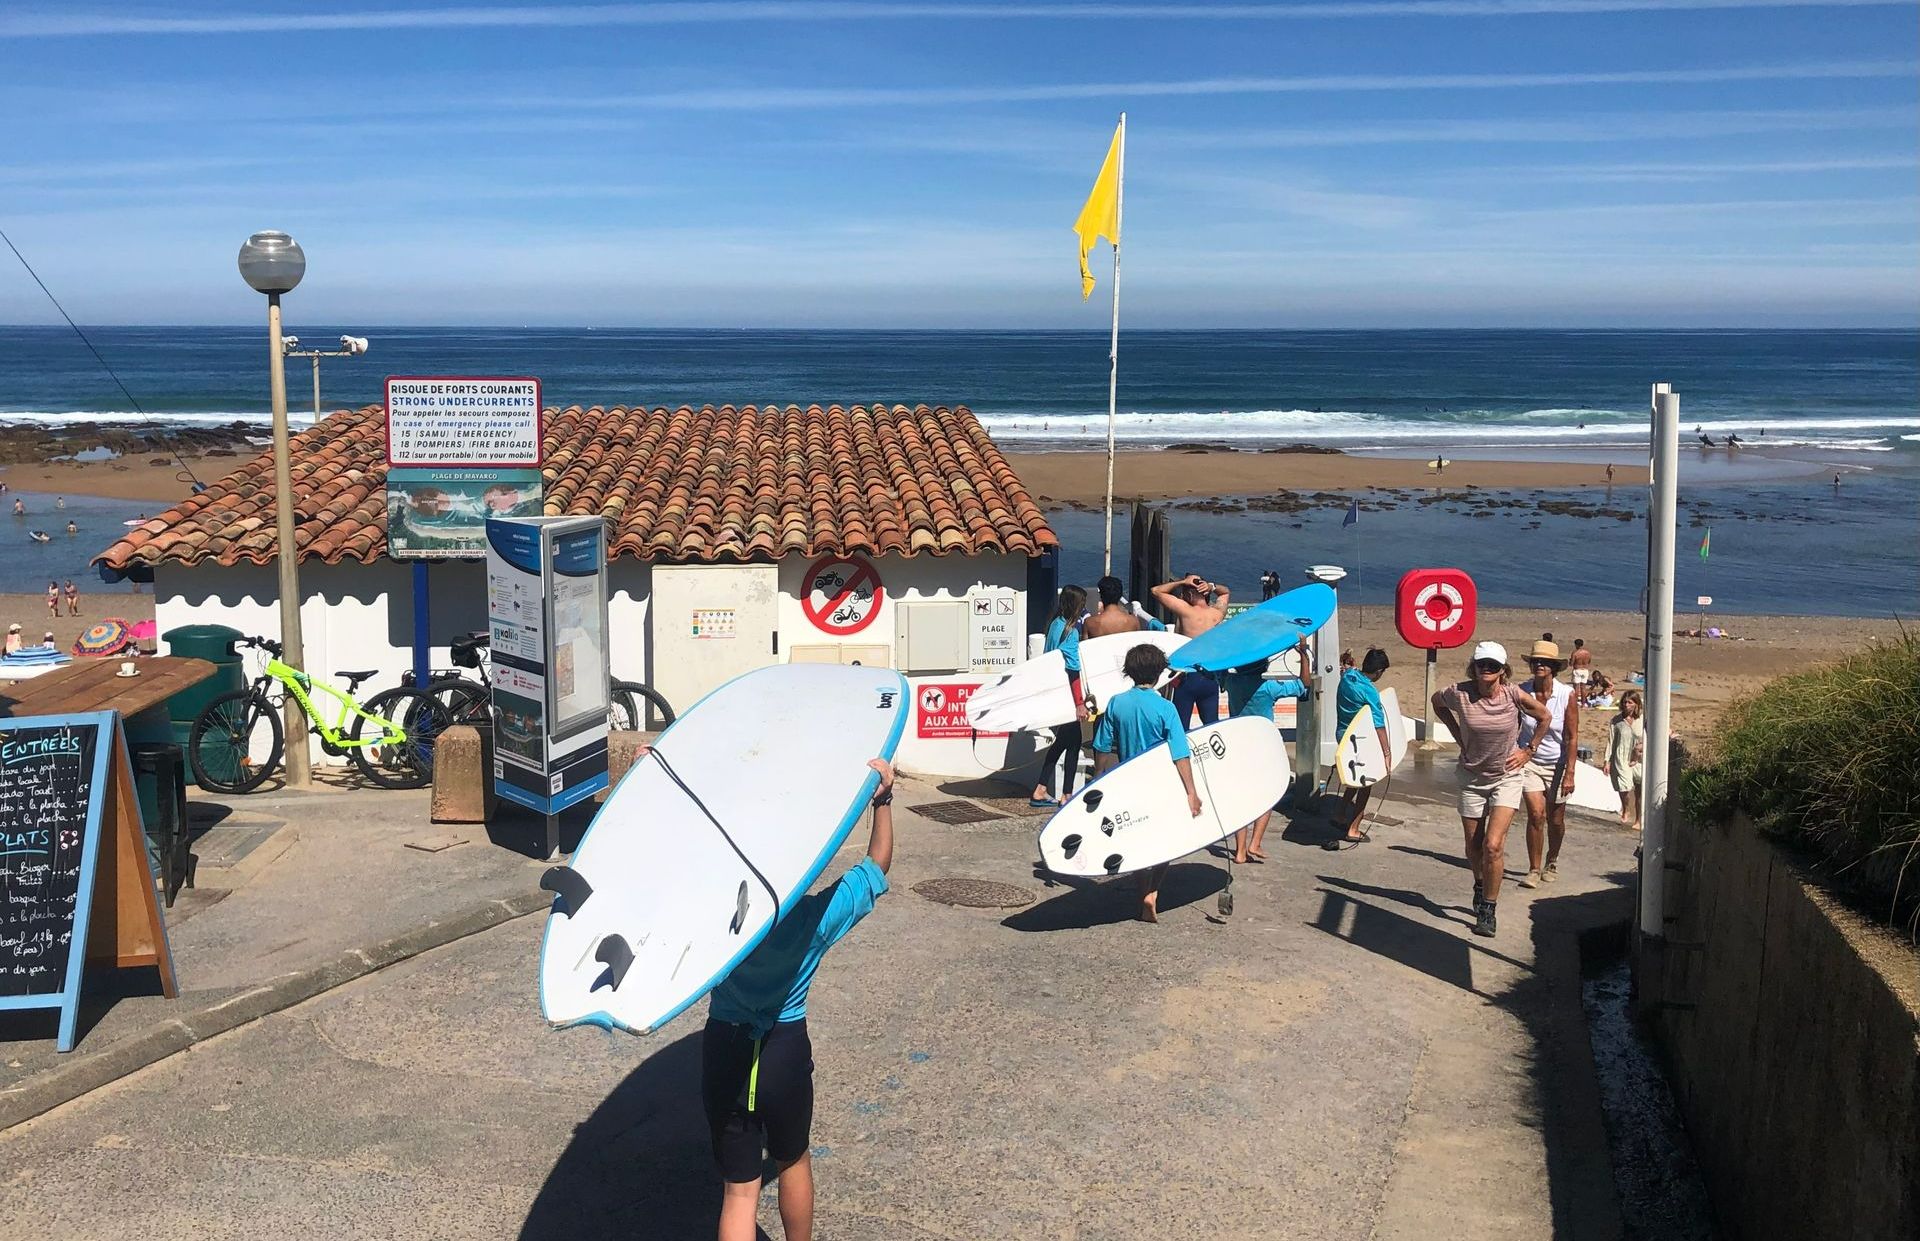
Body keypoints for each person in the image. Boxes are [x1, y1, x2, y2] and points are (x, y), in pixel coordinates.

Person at [701, 756, 897, 1241]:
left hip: (726, 1047)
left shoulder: (711, 911)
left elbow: (674, 866)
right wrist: (884, 799)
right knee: (792, 1160)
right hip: (784, 1052)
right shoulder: (813, 917)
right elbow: (877, 864)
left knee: (740, 1193)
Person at [1430, 641, 1552, 938]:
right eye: (1482, 664)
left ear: (1503, 671)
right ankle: (1479, 883)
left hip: (1506, 777)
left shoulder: (1512, 695)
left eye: (1493, 666)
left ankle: (1488, 908)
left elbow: (1545, 717)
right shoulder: (1458, 693)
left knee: (1493, 845)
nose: (1487, 670)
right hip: (1472, 777)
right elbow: (1436, 703)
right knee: (1473, 845)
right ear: (1473, 666)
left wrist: (1528, 751)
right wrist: (1457, 734)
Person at [1090, 643, 1203, 923]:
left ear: (1129, 671)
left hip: (1129, 780)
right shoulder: (1166, 708)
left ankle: (1142, 892)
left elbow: (1102, 746)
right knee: (1167, 841)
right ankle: (1152, 891)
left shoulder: (1116, 703)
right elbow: (1180, 754)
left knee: (1137, 839)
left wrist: (1097, 781)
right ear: (1158, 674)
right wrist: (1191, 792)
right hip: (1161, 782)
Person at [1221, 645, 1308, 863]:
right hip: (1262, 745)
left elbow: (1215, 671)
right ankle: (1255, 843)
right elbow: (1303, 684)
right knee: (1267, 794)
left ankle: (1240, 851)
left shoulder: (1232, 683)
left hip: (1237, 744)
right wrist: (1304, 654)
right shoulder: (1269, 688)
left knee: (1242, 797)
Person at [1517, 639, 1579, 888]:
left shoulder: (1566, 695)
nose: (1539, 665)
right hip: (1529, 760)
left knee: (1555, 820)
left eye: (1545, 662)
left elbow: (1572, 736)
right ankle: (1533, 868)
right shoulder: (1522, 691)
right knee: (1536, 814)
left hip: (1558, 764)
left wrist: (1570, 773)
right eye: (1536, 661)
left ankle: (1551, 860)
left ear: (1554, 667)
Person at [1327, 647, 1392, 850]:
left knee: (1354, 779)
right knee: (1365, 783)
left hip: (1342, 735)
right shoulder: (1369, 691)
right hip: (1359, 740)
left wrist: (1346, 659)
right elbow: (1378, 723)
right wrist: (1387, 753)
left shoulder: (1348, 676)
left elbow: (1347, 665)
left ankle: (1340, 813)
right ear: (1379, 671)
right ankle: (1353, 829)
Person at [1031, 586, 1088, 808]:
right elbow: (1073, 670)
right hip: (1066, 695)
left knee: (1064, 742)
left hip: (1053, 691)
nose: (1084, 607)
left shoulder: (1054, 625)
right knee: (1073, 744)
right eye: (1082, 603)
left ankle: (1042, 789)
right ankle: (1066, 795)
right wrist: (1079, 703)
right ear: (1076, 605)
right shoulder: (1071, 632)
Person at [1152, 573, 1229, 728]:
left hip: (1187, 675)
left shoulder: (1186, 611)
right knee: (1211, 725)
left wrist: (1182, 581)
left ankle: (1185, 752)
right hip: (1209, 676)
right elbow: (1225, 592)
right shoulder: (1216, 614)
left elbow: (1156, 591)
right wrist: (1212, 586)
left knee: (1181, 726)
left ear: (1188, 594)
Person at [1605, 690, 1645, 829]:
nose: (1626, 705)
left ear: (1636, 704)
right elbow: (1611, 741)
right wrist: (1607, 761)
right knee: (1624, 787)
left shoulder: (1642, 720)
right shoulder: (1616, 721)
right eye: (1624, 702)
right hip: (1621, 757)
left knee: (1640, 791)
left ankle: (1639, 820)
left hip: (1639, 758)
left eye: (1630, 702)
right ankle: (1626, 808)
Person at [1082, 576, 1152, 639]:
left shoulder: (1090, 622)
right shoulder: (1133, 621)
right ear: (1120, 595)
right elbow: (1137, 645)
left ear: (1101, 596)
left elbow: (1084, 648)